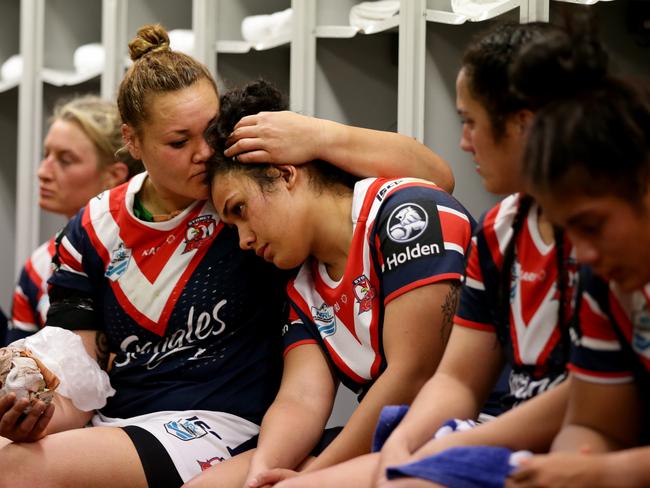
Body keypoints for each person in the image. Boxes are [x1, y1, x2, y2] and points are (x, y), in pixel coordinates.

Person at [0, 24, 454, 488]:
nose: (204, 154)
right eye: (178, 142)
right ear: (133, 142)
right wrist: (39, 415)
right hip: (119, 420)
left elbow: (435, 179)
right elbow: (79, 376)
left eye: (210, 131)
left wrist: (316, 133)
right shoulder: (92, 228)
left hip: (219, 422)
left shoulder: (257, 185)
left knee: (17, 468)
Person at [266, 21, 584, 488]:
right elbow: (456, 380)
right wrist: (400, 447)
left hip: (548, 443)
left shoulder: (608, 226)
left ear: (523, 123)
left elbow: (599, 394)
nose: (463, 142)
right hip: (489, 435)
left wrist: (434, 449)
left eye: (470, 122)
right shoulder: (498, 230)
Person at [183, 78, 474, 488]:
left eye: (241, 210)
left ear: (285, 174)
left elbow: (413, 373)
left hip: (471, 425)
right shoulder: (302, 284)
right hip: (388, 437)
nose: (244, 240)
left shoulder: (406, 212)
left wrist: (312, 477)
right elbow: (299, 400)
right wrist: (261, 473)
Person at [504, 20, 650, 488]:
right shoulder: (608, 284)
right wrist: (561, 472)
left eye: (592, 225)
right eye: (569, 232)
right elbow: (596, 425)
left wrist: (604, 472)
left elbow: (605, 465)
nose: (582, 254)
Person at [5, 95, 144, 345]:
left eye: (65, 160)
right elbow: (18, 373)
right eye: (45, 155)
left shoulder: (152, 249)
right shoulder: (37, 266)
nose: (42, 172)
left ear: (114, 176)